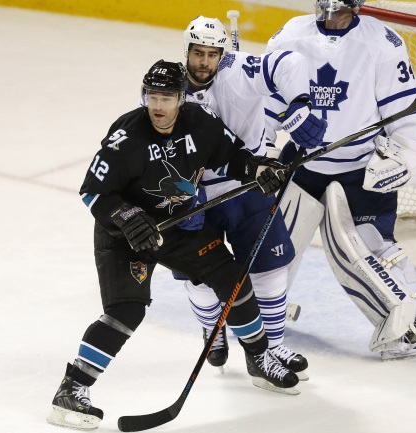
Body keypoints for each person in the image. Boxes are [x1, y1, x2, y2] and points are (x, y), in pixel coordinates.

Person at [47, 60, 301, 431]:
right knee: (126, 312)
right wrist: (128, 217)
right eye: (152, 96)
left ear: (182, 98)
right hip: (126, 238)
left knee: (232, 279)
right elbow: (92, 192)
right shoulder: (127, 136)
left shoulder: (201, 123)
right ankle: (71, 389)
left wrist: (260, 170)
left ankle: (259, 358)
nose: (158, 106)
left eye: (167, 97)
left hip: (178, 229)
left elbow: (231, 159)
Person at [264, 0, 416, 360]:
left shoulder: (382, 41)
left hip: (359, 169)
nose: (330, 10)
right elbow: (267, 102)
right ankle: (260, 314)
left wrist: (407, 152)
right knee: (271, 244)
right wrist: (260, 148)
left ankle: (414, 324)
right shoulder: (290, 34)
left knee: (372, 246)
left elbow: (404, 106)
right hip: (301, 164)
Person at [175, 16, 327, 382]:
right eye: (198, 52)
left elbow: (289, 63)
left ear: (222, 55)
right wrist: (181, 192)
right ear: (187, 51)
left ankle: (271, 348)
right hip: (195, 192)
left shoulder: (241, 69)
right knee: (198, 275)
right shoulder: (168, 87)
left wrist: (300, 105)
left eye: (213, 54)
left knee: (269, 268)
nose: (204, 62)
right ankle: (213, 332)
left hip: (247, 186)